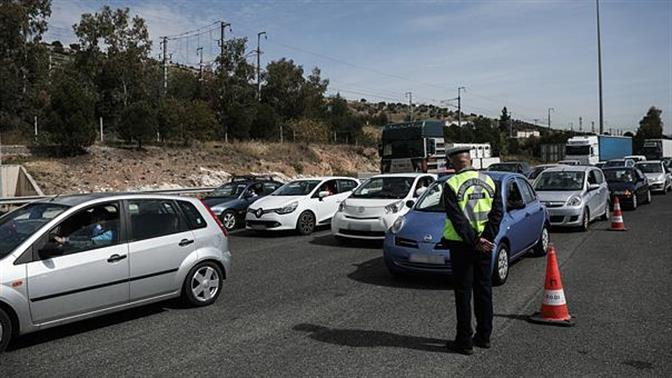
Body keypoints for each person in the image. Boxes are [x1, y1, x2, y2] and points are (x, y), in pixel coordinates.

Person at [441, 146, 503, 355]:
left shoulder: (451, 184)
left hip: (462, 246)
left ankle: (464, 341)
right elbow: (497, 213)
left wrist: (474, 240)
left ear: (453, 163)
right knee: (484, 290)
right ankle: (484, 336)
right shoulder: (489, 181)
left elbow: (457, 220)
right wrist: (486, 238)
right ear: (469, 160)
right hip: (484, 245)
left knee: (463, 294)